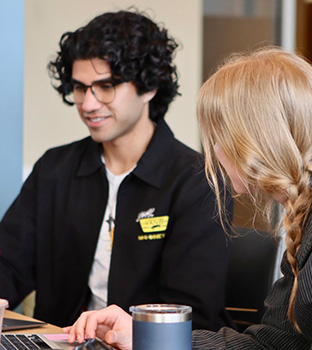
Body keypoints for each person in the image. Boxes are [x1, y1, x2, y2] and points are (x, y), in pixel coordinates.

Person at [63, 47, 312, 350]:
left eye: (217, 137)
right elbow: (273, 343)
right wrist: (146, 337)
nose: (213, 150)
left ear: (253, 138)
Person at [0, 10, 233, 331]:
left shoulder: (197, 181)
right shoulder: (55, 169)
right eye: (80, 88)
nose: (88, 104)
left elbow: (193, 314)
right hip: (58, 340)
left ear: (149, 87)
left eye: (106, 86)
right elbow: (8, 261)